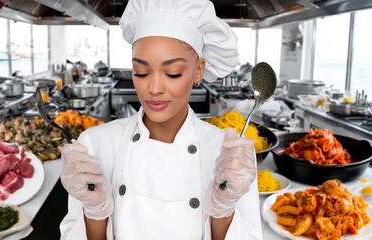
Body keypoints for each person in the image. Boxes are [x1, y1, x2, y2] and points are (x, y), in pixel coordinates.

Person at [59, 0, 262, 239]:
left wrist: (223, 211)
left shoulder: (229, 154)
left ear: (198, 71)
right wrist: (94, 213)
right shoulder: (95, 144)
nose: (154, 88)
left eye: (173, 73)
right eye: (141, 72)